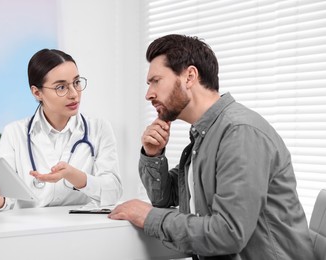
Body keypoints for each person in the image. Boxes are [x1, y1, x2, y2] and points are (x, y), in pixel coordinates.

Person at [108, 34, 315, 259]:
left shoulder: (239, 133)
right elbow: (165, 198)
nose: (149, 94)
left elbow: (228, 233)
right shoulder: (206, 135)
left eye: (155, 81)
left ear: (190, 76)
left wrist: (149, 217)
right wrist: (153, 154)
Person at [0, 49, 122, 211]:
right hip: (29, 230)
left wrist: (73, 175)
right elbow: (4, 201)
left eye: (76, 82)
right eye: (61, 87)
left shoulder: (99, 128)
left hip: (81, 228)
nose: (74, 94)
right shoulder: (14, 133)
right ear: (37, 92)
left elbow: (113, 191)